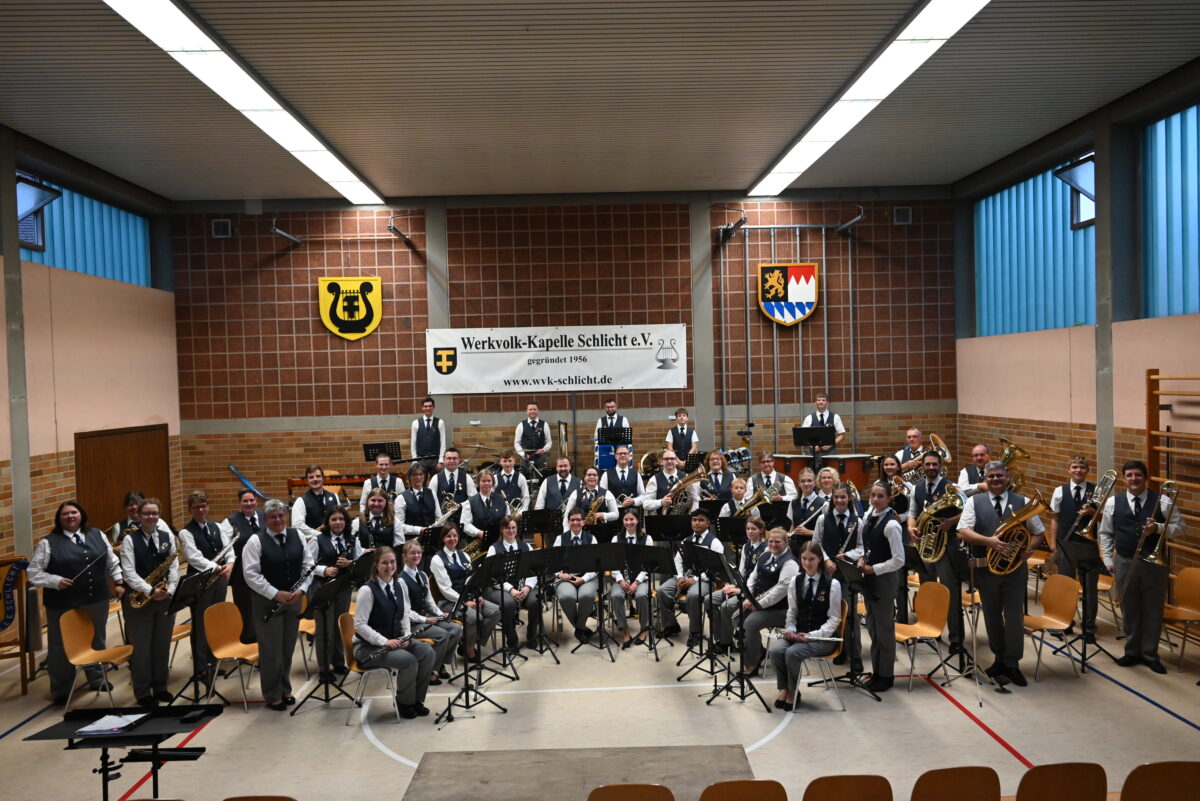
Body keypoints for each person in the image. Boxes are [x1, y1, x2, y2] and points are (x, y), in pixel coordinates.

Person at [957, 461, 1045, 687]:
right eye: (991, 476)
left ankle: (1012, 663)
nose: (995, 479)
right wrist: (989, 541)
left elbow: (1038, 532)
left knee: (1015, 616)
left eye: (999, 475)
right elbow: (963, 531)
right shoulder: (974, 502)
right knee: (992, 615)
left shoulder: (1024, 502)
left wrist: (1029, 549)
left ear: (1008, 478)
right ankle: (998, 659)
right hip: (987, 569)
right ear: (985, 479)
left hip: (1015, 570)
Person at [28, 500, 125, 705]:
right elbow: (33, 573)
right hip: (63, 603)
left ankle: (97, 678)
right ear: (59, 518)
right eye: (65, 514)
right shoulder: (48, 542)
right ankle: (61, 688)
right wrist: (55, 581)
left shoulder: (97, 534)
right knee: (60, 645)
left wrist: (118, 582)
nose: (70, 516)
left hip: (97, 599)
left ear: (81, 515)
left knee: (97, 640)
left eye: (74, 512)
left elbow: (112, 561)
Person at [1098, 459, 1183, 674]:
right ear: (1124, 478)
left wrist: (1158, 528)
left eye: (1138, 475)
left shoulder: (1163, 501)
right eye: (1129, 475)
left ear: (1145, 478)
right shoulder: (1113, 502)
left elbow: (1180, 527)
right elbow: (1105, 533)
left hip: (1154, 563)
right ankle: (1132, 651)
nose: (1133, 479)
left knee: (1153, 609)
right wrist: (1108, 560)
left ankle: (1150, 654)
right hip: (1124, 561)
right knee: (1129, 608)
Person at [242, 498, 315, 710]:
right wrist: (275, 594)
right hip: (267, 603)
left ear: (286, 516)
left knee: (287, 648)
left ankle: (285, 689)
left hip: (293, 601)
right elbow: (251, 575)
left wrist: (302, 589)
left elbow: (308, 564)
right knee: (271, 651)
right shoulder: (255, 541)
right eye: (273, 517)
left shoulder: (297, 535)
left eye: (281, 515)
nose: (278, 520)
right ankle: (272, 694)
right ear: (265, 519)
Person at [353, 546, 438, 719]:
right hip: (368, 647)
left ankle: (416, 700)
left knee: (427, 652)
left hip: (395, 640)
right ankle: (404, 702)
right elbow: (360, 625)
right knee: (409, 661)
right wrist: (384, 641)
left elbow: (404, 614)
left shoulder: (399, 584)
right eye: (384, 563)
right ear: (376, 565)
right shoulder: (367, 590)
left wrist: (406, 635)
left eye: (392, 562)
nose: (389, 566)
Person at [769, 540, 843, 711]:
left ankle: (793, 692)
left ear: (820, 559)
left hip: (823, 638)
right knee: (776, 651)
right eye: (804, 559)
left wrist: (813, 635)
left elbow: (834, 620)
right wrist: (790, 629)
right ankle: (785, 688)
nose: (807, 563)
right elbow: (792, 611)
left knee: (792, 653)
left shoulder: (832, 584)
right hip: (799, 634)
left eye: (812, 559)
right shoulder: (795, 581)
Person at [845, 482, 905, 692]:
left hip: (884, 581)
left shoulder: (891, 525)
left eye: (880, 496)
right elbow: (867, 547)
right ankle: (877, 671)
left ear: (889, 499)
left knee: (884, 632)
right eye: (873, 495)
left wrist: (874, 569)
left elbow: (899, 560)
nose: (875, 499)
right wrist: (862, 559)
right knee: (873, 629)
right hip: (870, 579)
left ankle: (886, 676)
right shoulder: (870, 517)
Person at [713, 528, 799, 676]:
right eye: (771, 541)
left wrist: (758, 604)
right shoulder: (765, 555)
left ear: (786, 542)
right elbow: (753, 578)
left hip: (782, 609)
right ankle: (758, 651)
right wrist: (748, 597)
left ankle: (751, 664)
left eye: (777, 542)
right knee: (737, 616)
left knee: (750, 623)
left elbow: (778, 592)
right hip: (761, 603)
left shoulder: (790, 563)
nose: (773, 544)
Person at [120, 498, 178, 707]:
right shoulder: (129, 540)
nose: (151, 517)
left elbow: (173, 564)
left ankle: (160, 686)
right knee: (142, 648)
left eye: (155, 513)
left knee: (161, 645)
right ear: (139, 516)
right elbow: (128, 572)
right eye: (147, 514)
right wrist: (150, 590)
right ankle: (143, 691)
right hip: (140, 600)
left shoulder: (166, 536)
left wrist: (171, 589)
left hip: (164, 598)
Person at [907, 452, 964, 652]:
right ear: (922, 466)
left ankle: (956, 639)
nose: (931, 467)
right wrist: (911, 528)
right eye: (927, 464)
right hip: (925, 545)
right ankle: (931, 630)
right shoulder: (916, 488)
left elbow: (967, 511)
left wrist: (951, 522)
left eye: (934, 464)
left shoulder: (952, 487)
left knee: (950, 592)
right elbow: (912, 513)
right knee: (928, 590)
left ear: (940, 466)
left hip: (947, 545)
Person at [179, 491, 234, 683]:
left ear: (208, 507)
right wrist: (217, 567)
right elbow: (193, 557)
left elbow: (228, 548)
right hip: (200, 582)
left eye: (203, 506)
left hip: (219, 579)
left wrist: (230, 563)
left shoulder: (216, 527)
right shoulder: (185, 532)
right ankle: (201, 668)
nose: (201, 510)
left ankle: (213, 661)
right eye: (196, 507)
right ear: (190, 510)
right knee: (201, 624)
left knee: (215, 620)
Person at [1049, 455, 1100, 644]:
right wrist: (1053, 544)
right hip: (1066, 544)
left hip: (1088, 545)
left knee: (1090, 589)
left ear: (1088, 470)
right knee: (1066, 586)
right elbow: (1055, 519)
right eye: (1075, 467)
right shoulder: (1059, 491)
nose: (1078, 470)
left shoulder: (1096, 491)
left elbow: (1105, 518)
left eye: (1082, 467)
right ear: (1068, 469)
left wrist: (1092, 512)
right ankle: (1065, 623)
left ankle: (1089, 628)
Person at [429, 524, 500, 662]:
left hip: (469, 598)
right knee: (474, 617)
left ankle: (467, 642)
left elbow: (472, 580)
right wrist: (465, 601)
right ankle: (469, 649)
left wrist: (477, 596)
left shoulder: (465, 556)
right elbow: (445, 589)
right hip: (449, 602)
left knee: (495, 611)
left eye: (455, 536)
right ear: (443, 538)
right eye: (448, 536)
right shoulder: (437, 559)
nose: (452, 539)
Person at [308, 507, 362, 679]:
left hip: (343, 589)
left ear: (346, 522)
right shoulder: (317, 540)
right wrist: (324, 570)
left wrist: (350, 563)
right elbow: (307, 565)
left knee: (338, 626)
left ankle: (338, 662)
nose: (338, 522)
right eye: (333, 519)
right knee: (325, 629)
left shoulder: (352, 540)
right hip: (322, 589)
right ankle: (324, 668)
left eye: (341, 519)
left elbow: (360, 562)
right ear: (327, 522)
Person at [657, 508, 724, 647]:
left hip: (705, 580)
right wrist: (679, 577)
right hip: (685, 577)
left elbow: (716, 568)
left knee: (693, 595)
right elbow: (677, 561)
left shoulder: (715, 543)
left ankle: (695, 631)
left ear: (708, 523)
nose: (697, 523)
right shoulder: (686, 540)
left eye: (701, 520)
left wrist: (695, 580)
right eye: (694, 520)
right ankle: (671, 625)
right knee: (662, 590)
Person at [812, 484, 861, 670]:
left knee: (850, 614)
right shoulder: (823, 519)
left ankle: (855, 655)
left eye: (843, 497)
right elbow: (816, 543)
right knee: (832, 613)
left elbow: (862, 546)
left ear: (849, 498)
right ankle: (839, 650)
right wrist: (826, 560)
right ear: (832, 499)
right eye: (836, 497)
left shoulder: (858, 521)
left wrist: (848, 555)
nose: (839, 500)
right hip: (828, 573)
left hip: (848, 573)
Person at [398, 540, 461, 683]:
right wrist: (426, 620)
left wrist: (440, 614)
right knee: (443, 634)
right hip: (412, 624)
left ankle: (439, 664)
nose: (416, 556)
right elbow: (406, 612)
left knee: (456, 628)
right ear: (404, 556)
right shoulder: (401, 580)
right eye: (412, 553)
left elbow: (429, 601)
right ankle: (430, 671)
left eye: (419, 553)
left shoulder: (423, 575)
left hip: (426, 618)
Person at [485, 516, 541, 654]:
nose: (511, 531)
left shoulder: (526, 547)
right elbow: (492, 576)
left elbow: (533, 571)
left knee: (536, 600)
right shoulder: (494, 549)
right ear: (502, 529)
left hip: (524, 587)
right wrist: (511, 590)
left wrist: (527, 587)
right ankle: (512, 642)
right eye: (508, 528)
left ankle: (532, 636)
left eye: (513, 528)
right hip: (502, 588)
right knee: (508, 604)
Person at [220, 489, 265, 644]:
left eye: (252, 500)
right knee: (244, 608)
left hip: (264, 571)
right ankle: (247, 641)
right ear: (239, 503)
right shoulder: (230, 522)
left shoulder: (264, 516)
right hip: (241, 573)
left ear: (256, 501)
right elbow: (225, 548)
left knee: (263, 605)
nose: (249, 503)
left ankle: (263, 639)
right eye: (245, 501)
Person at [553, 509, 601, 642]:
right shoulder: (560, 539)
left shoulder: (591, 539)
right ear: (568, 522)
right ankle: (581, 628)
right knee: (566, 597)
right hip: (566, 578)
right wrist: (560, 574)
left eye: (578, 520)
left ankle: (579, 628)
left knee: (586, 595)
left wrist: (583, 579)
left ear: (584, 522)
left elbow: (596, 565)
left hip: (587, 577)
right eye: (572, 520)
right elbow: (553, 562)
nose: (575, 523)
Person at [611, 510, 653, 648]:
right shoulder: (616, 539)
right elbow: (613, 563)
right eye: (626, 519)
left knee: (641, 595)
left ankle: (643, 629)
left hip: (641, 579)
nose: (629, 522)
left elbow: (648, 564)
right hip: (622, 579)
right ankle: (625, 630)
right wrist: (620, 580)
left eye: (631, 519)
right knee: (616, 595)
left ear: (637, 520)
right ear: (622, 521)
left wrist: (636, 582)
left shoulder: (647, 539)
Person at [291, 464, 340, 542]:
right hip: (313, 544)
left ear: (323, 478)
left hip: (335, 542)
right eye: (311, 477)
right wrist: (319, 534)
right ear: (306, 481)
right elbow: (297, 525)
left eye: (318, 476)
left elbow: (341, 519)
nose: (315, 479)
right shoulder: (301, 501)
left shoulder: (334, 496)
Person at [641, 449, 698, 514]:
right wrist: (661, 502)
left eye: (672, 459)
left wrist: (692, 513)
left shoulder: (686, 477)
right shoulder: (654, 479)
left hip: (683, 518)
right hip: (661, 518)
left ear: (676, 461)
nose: (669, 461)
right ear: (662, 462)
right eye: (666, 459)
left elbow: (695, 499)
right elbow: (646, 504)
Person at [563, 466, 619, 531]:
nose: (592, 477)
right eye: (589, 475)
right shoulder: (575, 493)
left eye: (594, 475)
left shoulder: (607, 493)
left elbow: (616, 514)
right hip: (580, 532)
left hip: (601, 531)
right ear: (584, 477)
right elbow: (567, 514)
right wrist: (566, 531)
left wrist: (603, 515)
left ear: (598, 477)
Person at [461, 470, 509, 542]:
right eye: (483, 481)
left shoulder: (502, 500)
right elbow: (465, 524)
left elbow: (508, 519)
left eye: (489, 481)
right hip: (478, 542)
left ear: (493, 483)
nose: (486, 483)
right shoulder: (469, 502)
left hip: (499, 542)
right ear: (478, 483)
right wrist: (478, 533)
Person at [397, 464, 439, 541]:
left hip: (432, 539)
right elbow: (399, 526)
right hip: (412, 541)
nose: (418, 477)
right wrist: (419, 530)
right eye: (415, 475)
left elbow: (439, 517)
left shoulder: (432, 493)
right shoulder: (401, 498)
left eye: (421, 474)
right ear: (409, 477)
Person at [428, 448, 476, 513]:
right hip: (442, 517)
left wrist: (460, 505)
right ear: (444, 460)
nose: (452, 461)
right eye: (449, 458)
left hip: (462, 517)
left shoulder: (467, 478)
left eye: (455, 458)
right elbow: (430, 501)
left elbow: (474, 500)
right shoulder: (435, 478)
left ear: (459, 460)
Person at [515, 401, 553, 478]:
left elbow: (549, 442)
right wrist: (522, 454)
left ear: (538, 410)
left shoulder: (544, 425)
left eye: (534, 409)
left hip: (540, 458)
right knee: (525, 479)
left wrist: (544, 450)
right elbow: (516, 443)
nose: (532, 411)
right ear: (527, 411)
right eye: (530, 409)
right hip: (526, 458)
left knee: (542, 479)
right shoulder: (521, 425)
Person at [410, 396, 446, 476]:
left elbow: (443, 443)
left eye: (430, 406)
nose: (428, 408)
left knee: (437, 482)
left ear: (433, 407)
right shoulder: (415, 423)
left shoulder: (440, 422)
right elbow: (413, 444)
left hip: (435, 460)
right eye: (425, 406)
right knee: (421, 482)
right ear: (422, 408)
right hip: (421, 460)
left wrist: (440, 461)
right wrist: (415, 461)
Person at [600, 445, 644, 509]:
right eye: (620, 453)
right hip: (613, 512)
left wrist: (633, 501)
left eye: (625, 453)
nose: (623, 455)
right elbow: (601, 496)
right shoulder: (606, 474)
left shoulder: (636, 474)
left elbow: (643, 495)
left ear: (629, 456)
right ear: (615, 456)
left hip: (632, 512)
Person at [493, 450, 531, 516]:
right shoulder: (495, 478)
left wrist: (520, 514)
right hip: (500, 516)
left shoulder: (521, 478)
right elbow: (490, 498)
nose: (507, 464)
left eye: (510, 461)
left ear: (514, 461)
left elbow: (526, 498)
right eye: (504, 461)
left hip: (516, 516)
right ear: (500, 462)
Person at [788, 469, 824, 536]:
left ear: (814, 483)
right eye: (803, 481)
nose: (806, 484)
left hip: (813, 542)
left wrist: (809, 532)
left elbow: (826, 531)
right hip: (795, 542)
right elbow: (792, 526)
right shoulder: (793, 503)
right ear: (799, 483)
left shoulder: (824, 504)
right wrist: (789, 535)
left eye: (809, 481)